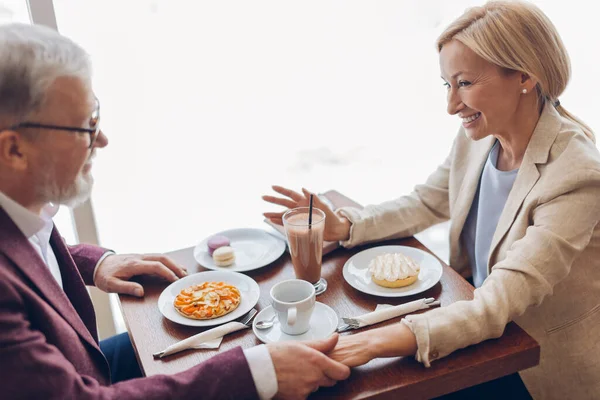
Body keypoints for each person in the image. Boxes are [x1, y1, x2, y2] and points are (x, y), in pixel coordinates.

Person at [263, 1, 600, 399]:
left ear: (524, 75)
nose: (451, 106)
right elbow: (428, 201)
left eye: (465, 83)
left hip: (533, 365)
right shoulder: (482, 134)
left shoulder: (576, 175)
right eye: (447, 84)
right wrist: (347, 225)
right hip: (477, 323)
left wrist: (367, 344)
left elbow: (496, 304)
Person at [0, 23, 350, 400]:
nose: (101, 139)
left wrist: (94, 264)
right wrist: (257, 374)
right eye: (85, 126)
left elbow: (26, 252)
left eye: (96, 115)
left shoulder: (19, 206)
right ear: (14, 150)